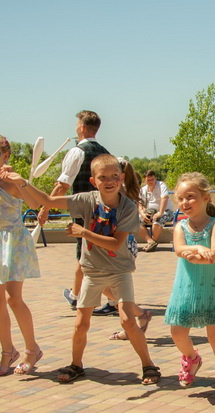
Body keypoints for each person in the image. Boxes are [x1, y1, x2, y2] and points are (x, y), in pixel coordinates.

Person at [9, 154, 161, 384]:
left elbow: (115, 243)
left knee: (128, 321)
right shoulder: (86, 200)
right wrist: (22, 183)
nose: (109, 181)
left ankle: (149, 365)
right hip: (92, 271)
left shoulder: (128, 207)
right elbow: (48, 200)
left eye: (114, 176)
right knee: (81, 324)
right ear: (93, 181)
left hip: (119, 271)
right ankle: (76, 365)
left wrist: (83, 233)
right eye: (103, 177)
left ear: (121, 178)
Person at [165, 172, 215, 403]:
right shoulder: (180, 226)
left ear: (205, 198)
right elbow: (179, 249)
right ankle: (191, 358)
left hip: (213, 287)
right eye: (180, 198)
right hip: (187, 288)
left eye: (190, 197)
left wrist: (200, 255)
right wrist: (198, 250)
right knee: (177, 332)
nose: (185, 202)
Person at [0, 134, 43, 376]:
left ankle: (32, 350)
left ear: (5, 156)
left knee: (14, 298)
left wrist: (20, 182)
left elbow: (34, 204)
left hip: (14, 242)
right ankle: (7, 351)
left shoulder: (13, 182)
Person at [38, 110, 113, 313]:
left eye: (76, 125)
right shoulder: (106, 154)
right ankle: (77, 295)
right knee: (94, 255)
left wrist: (45, 208)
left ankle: (111, 299)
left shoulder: (77, 152)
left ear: (82, 127)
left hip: (83, 213)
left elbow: (63, 186)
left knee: (87, 256)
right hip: (106, 211)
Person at [108, 158, 153, 340]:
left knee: (115, 289)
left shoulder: (121, 193)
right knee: (107, 287)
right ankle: (139, 315)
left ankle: (134, 321)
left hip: (122, 244)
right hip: (123, 243)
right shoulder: (127, 191)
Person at [136, 170, 173, 252]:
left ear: (155, 178)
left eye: (152, 179)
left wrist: (160, 212)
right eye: (148, 180)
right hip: (150, 212)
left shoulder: (161, 185)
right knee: (135, 221)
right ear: (145, 179)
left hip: (166, 211)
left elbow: (164, 198)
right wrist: (142, 214)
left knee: (157, 221)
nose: (150, 181)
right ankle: (150, 242)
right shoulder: (143, 190)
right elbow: (140, 203)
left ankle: (153, 242)